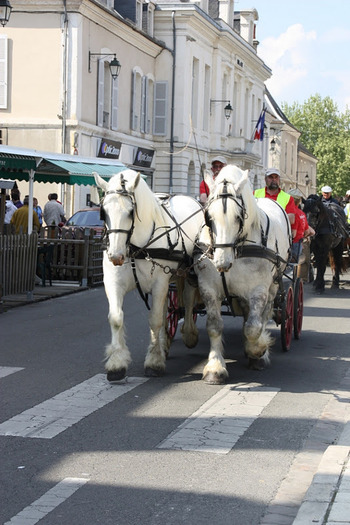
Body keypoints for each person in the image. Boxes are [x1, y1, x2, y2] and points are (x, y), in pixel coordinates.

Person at [288, 188, 315, 262]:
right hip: (298, 244)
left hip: (292, 245)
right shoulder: (301, 213)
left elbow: (293, 233)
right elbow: (309, 231)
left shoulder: (291, 213)